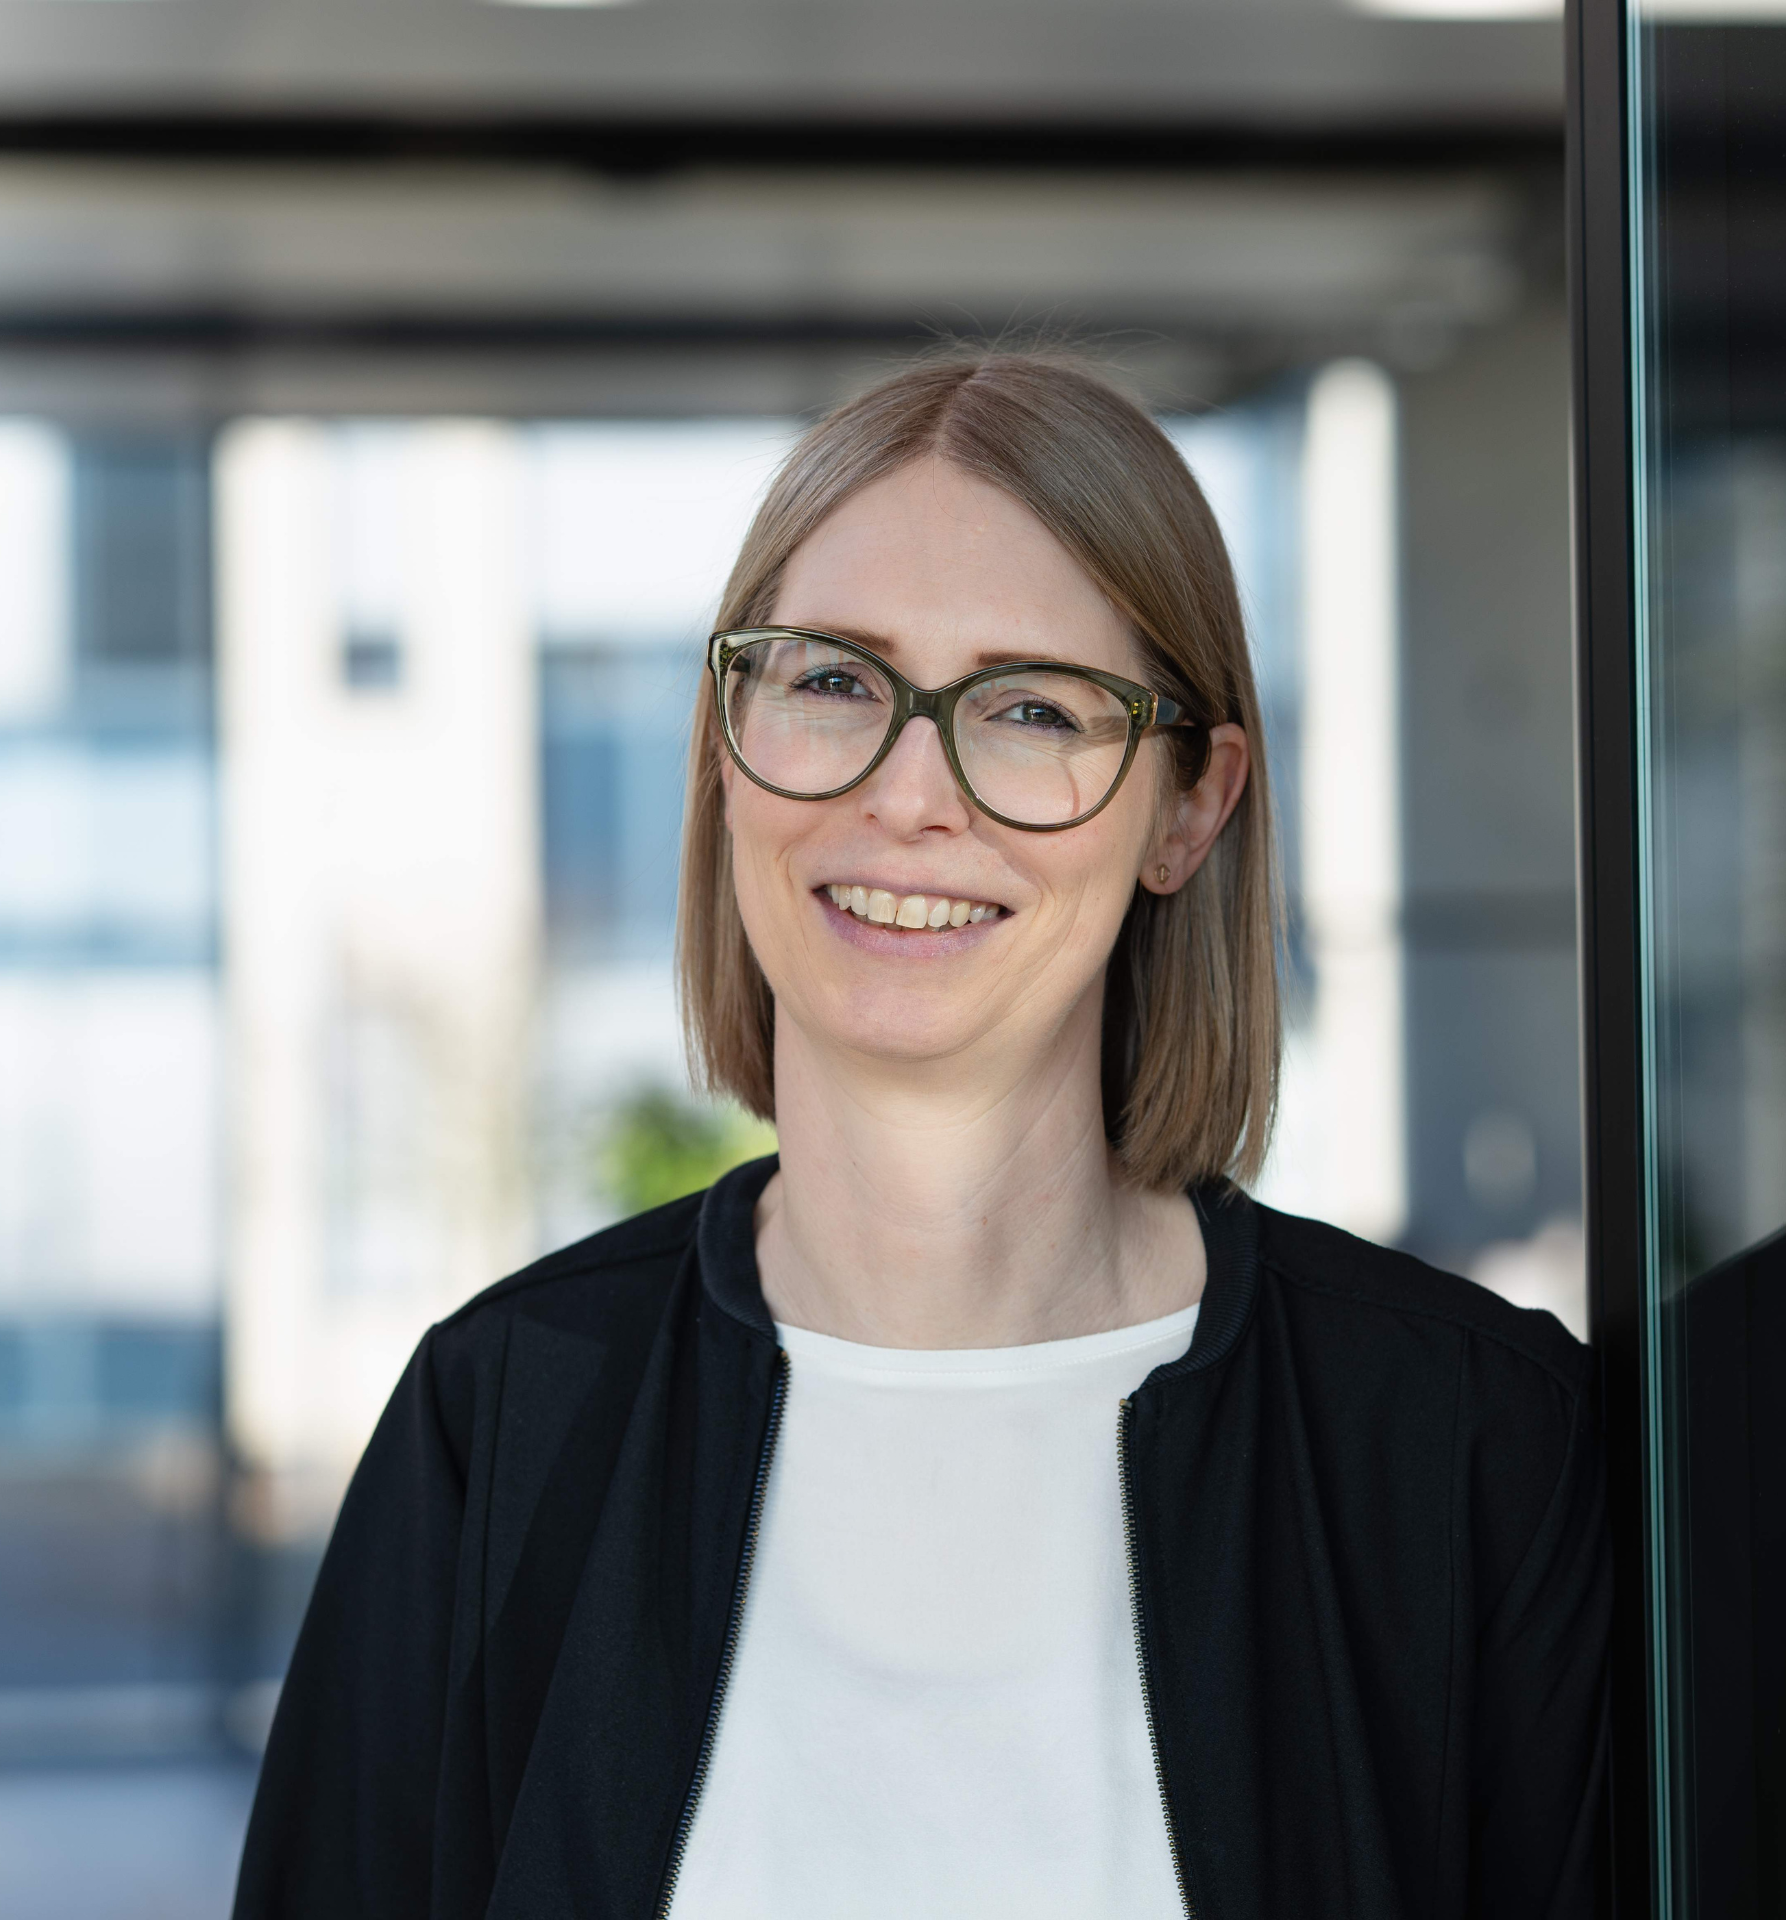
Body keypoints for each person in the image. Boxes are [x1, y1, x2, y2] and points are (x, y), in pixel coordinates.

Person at [233, 354, 1608, 1920]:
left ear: (1188, 811)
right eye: (832, 682)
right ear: (721, 742)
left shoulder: (1467, 1445)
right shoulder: (503, 1426)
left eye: (1029, 709)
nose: (909, 795)